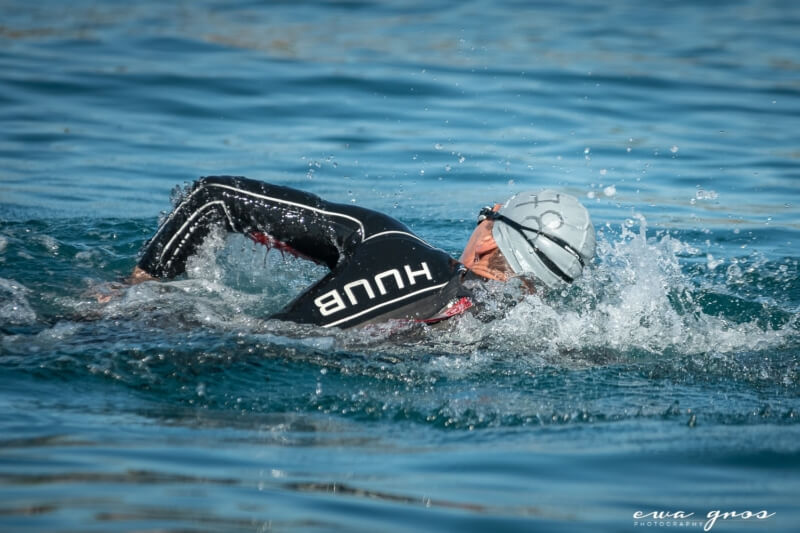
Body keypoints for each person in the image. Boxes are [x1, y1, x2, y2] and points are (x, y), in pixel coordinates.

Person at [130, 176, 595, 328]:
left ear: (492, 236)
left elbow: (212, 197)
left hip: (186, 345)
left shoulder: (390, 244)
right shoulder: (525, 330)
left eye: (486, 214)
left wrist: (132, 291)